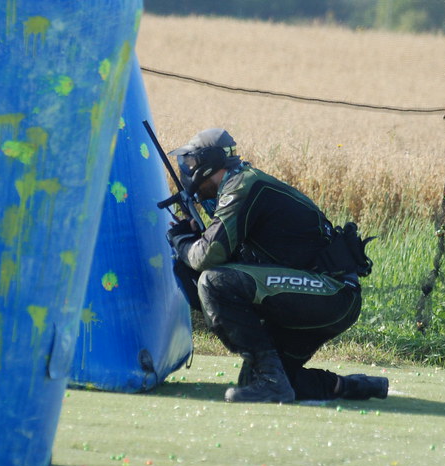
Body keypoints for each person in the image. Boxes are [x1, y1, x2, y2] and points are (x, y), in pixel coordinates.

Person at [165, 127, 388, 404]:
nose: (187, 170)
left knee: (214, 281)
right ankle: (351, 386)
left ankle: (272, 384)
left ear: (207, 163)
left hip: (329, 292)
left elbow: (207, 255)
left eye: (190, 163)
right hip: (325, 296)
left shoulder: (242, 185)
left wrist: (181, 241)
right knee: (259, 380)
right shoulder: (243, 184)